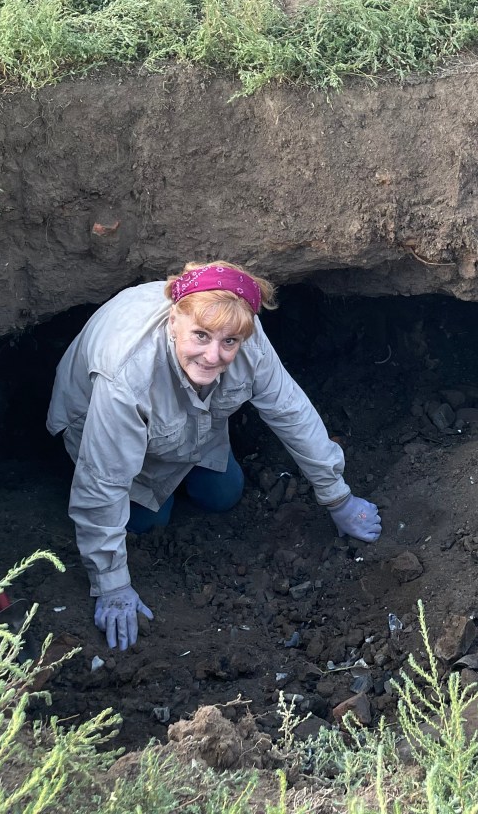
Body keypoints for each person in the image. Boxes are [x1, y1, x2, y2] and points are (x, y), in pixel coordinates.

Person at [47, 261, 382, 652]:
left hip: (190, 427)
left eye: (228, 343)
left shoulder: (243, 335)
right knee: (152, 520)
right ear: (175, 321)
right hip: (106, 427)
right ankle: (154, 503)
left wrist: (337, 496)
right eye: (201, 336)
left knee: (224, 494)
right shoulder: (126, 377)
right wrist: (113, 584)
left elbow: (291, 411)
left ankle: (182, 477)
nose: (212, 355)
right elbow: (102, 484)